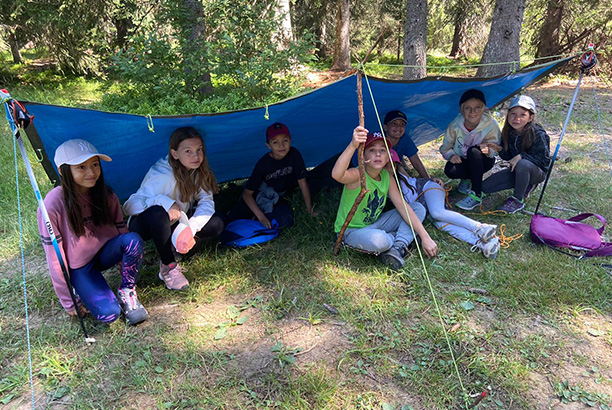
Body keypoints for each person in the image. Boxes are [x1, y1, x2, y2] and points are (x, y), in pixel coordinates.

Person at [38, 139, 148, 325]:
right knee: (109, 314)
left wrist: (126, 268)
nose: (91, 172)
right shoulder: (52, 204)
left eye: (95, 164)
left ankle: (127, 292)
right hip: (80, 265)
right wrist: (68, 301)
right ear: (63, 170)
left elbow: (122, 230)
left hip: (106, 252)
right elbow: (55, 257)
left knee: (133, 240)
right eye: (81, 167)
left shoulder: (106, 194)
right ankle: (79, 287)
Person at [124, 126, 224, 291]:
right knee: (158, 214)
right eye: (188, 151)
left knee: (217, 223)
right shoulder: (163, 175)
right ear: (175, 154)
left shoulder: (197, 171)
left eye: (199, 150)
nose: (196, 156)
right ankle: (168, 266)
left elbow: (206, 201)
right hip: (147, 224)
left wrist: (190, 229)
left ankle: (175, 244)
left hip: (176, 221)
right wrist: (164, 202)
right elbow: (129, 206)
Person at [332, 128, 438, 270]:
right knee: (380, 241)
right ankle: (403, 240)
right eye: (372, 150)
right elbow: (337, 175)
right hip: (352, 231)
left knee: (417, 207)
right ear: (362, 156)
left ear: (388, 157)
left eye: (382, 150)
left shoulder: (387, 177)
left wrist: (425, 236)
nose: (377, 154)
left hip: (376, 223)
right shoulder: (358, 174)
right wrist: (353, 145)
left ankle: (398, 246)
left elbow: (403, 206)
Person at [390, 150, 501, 259]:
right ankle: (482, 243)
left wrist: (430, 179)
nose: (389, 167)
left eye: (391, 163)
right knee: (440, 224)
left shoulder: (397, 170)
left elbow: (411, 179)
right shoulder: (381, 181)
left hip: (426, 188)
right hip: (419, 204)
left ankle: (480, 227)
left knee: (437, 213)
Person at [308, 109, 436, 194]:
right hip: (350, 161)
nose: (398, 128)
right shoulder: (377, 138)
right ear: (385, 127)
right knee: (318, 173)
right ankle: (301, 182)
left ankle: (303, 188)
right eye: (394, 124)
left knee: (328, 185)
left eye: (402, 125)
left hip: (361, 172)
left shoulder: (404, 139)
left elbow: (416, 161)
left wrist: (428, 181)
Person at [227, 122, 316, 229]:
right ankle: (235, 213)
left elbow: (302, 182)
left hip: (278, 197)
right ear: (268, 145)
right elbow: (247, 194)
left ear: (290, 140)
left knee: (286, 221)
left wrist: (309, 209)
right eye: (275, 142)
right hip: (260, 195)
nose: (281, 145)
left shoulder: (294, 154)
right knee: (233, 221)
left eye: (285, 140)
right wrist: (261, 217)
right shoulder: (263, 164)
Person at [482, 95, 550, 214]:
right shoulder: (508, 131)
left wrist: (521, 156)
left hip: (536, 172)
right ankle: (524, 184)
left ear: (530, 117)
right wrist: (500, 149)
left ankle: (518, 199)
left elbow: (544, 160)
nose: (516, 118)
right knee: (485, 187)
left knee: (523, 164)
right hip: (517, 171)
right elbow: (508, 157)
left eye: (522, 115)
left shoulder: (538, 133)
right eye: (513, 114)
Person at [439, 89, 501, 210]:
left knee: (473, 151)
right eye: (467, 108)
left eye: (477, 107)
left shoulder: (491, 125)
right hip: (463, 160)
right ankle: (466, 179)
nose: (473, 112)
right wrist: (451, 156)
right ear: (462, 109)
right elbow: (445, 148)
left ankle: (476, 194)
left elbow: (497, 148)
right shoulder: (455, 125)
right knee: (450, 170)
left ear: (484, 108)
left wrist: (489, 151)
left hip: (483, 160)